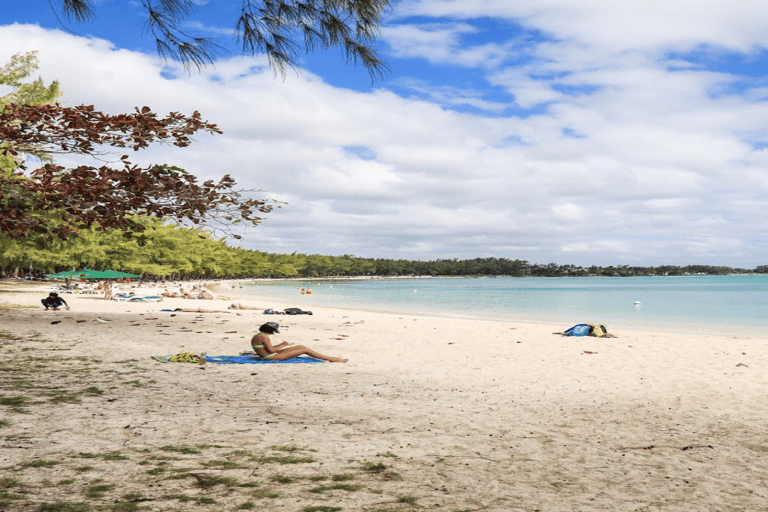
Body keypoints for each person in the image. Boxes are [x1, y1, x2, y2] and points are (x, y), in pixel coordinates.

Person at [251, 322, 347, 362]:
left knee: (301, 346)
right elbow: (271, 350)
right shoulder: (264, 337)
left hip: (267, 354)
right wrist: (283, 345)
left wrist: (282, 345)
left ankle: (331, 358)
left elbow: (267, 348)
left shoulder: (259, 335)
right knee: (304, 350)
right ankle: (331, 359)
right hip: (270, 357)